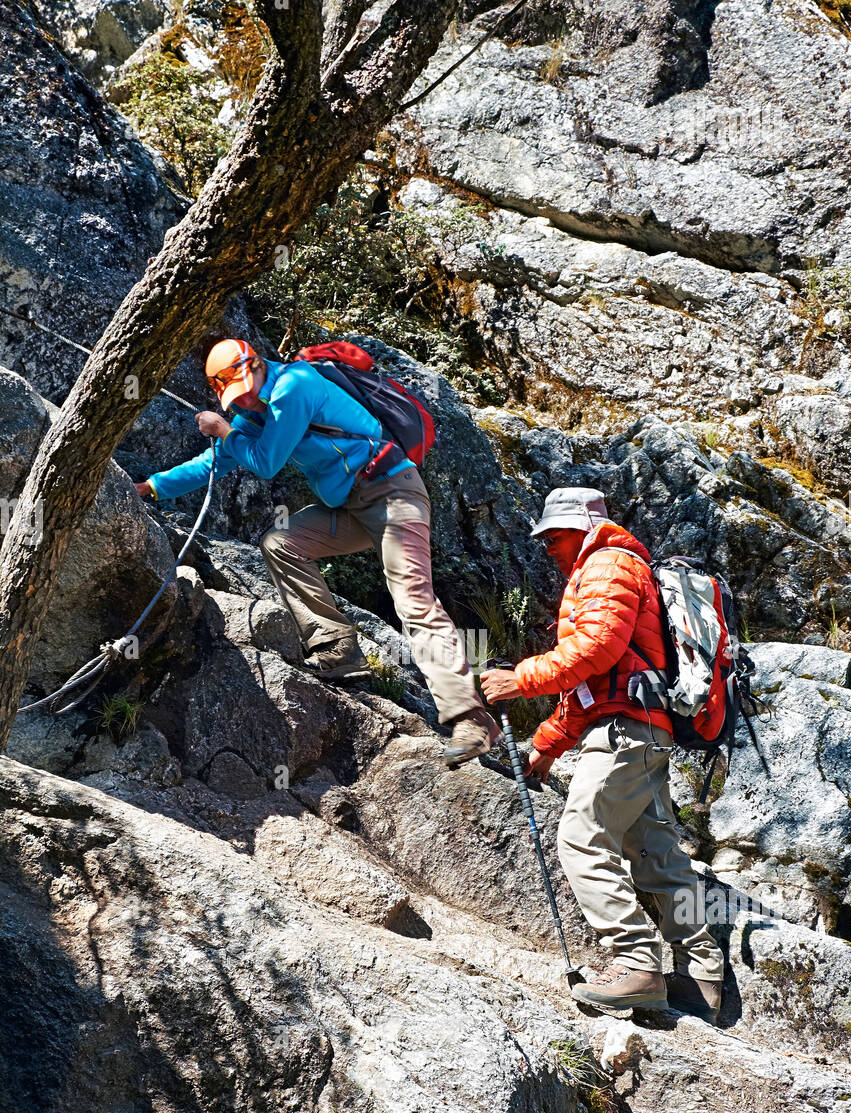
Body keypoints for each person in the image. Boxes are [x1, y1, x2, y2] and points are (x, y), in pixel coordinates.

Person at [137, 339, 499, 768]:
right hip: (348, 506)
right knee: (280, 542)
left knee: (413, 600)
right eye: (236, 398)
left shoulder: (295, 386)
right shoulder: (255, 414)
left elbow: (265, 461)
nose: (245, 400)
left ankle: (471, 719)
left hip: (396, 494)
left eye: (246, 390)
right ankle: (337, 648)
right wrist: (151, 488)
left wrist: (225, 430)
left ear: (255, 366)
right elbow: (213, 463)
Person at [481, 487, 726, 1021]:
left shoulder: (608, 564)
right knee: (657, 855)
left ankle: (637, 964)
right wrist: (544, 750)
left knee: (580, 837)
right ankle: (703, 974)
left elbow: (597, 650)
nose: (547, 545)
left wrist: (518, 681)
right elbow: (598, 685)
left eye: (555, 534)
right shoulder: (610, 568)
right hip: (642, 730)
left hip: (626, 734)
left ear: (584, 527)